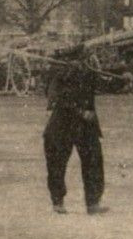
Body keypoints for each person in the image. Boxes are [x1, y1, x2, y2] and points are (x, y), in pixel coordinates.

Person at [44, 53, 106, 215]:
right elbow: (56, 99)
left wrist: (124, 78)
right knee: (57, 164)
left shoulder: (89, 73)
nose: (83, 63)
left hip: (86, 126)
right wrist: (80, 112)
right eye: (79, 60)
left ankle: (93, 202)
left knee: (94, 160)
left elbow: (105, 85)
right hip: (62, 125)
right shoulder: (60, 75)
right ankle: (58, 201)